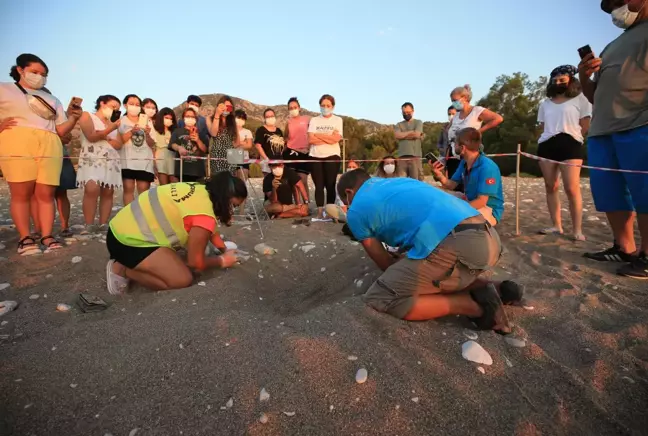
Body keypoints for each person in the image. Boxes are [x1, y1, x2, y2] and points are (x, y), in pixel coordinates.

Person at [337, 169, 523, 332]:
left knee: (382, 296)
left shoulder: (356, 209)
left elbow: (383, 263)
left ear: (349, 192)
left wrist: (396, 268)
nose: (348, 206)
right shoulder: (400, 182)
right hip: (488, 236)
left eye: (346, 201)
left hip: (458, 245)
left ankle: (476, 307)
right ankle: (494, 288)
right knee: (429, 269)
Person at [578, 0, 648, 278]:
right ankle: (624, 247)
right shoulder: (613, 45)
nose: (615, 10)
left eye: (620, 2)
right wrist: (585, 75)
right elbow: (595, 96)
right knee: (609, 194)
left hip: (640, 124)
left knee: (645, 192)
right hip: (602, 130)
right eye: (610, 7)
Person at [105, 171, 247, 294]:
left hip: (119, 228)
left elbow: (211, 231)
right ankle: (124, 269)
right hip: (128, 242)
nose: (232, 212)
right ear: (224, 199)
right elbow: (196, 262)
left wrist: (223, 248)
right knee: (182, 279)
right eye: (233, 206)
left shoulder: (200, 190)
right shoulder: (204, 216)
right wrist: (222, 261)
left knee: (183, 260)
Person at [0, 53, 81, 255]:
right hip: (17, 140)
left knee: (46, 194)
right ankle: (25, 238)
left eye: (43, 74)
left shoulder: (53, 99)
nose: (39, 76)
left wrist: (72, 118)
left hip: (50, 142)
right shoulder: (4, 89)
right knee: (21, 193)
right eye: (35, 72)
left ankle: (47, 235)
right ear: (20, 69)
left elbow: (61, 130)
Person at [536, 65, 592, 241]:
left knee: (571, 187)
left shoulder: (581, 99)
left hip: (571, 143)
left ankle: (577, 230)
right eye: (556, 80)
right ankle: (556, 225)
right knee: (550, 186)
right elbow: (542, 126)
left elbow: (585, 124)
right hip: (547, 144)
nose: (559, 82)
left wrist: (575, 138)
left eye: (563, 79)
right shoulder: (545, 103)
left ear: (570, 80)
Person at [430, 128, 504, 226]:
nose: (453, 146)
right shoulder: (464, 162)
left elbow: (481, 201)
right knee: (434, 192)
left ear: (463, 147)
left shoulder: (487, 167)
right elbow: (451, 185)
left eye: (455, 143)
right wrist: (439, 175)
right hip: (470, 201)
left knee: (453, 220)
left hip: (488, 209)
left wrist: (458, 211)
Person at [77, 94, 123, 236]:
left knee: (108, 192)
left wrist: (104, 134)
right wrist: (109, 131)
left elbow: (118, 144)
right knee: (91, 189)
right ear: (102, 104)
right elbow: (91, 136)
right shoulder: (87, 116)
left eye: (117, 108)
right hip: (92, 158)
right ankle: (89, 224)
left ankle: (104, 223)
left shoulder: (113, 123)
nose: (115, 110)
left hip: (111, 160)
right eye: (113, 106)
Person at [448, 84, 504, 189]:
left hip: (470, 155)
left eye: (455, 100)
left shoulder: (476, 111)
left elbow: (498, 118)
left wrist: (479, 131)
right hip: (456, 156)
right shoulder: (456, 116)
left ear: (464, 98)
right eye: (451, 101)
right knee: (455, 187)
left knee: (471, 186)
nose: (453, 103)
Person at [309, 94, 343, 219]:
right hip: (315, 156)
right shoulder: (314, 120)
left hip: (332, 156)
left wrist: (318, 135)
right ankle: (319, 212)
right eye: (323, 105)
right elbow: (310, 140)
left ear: (333, 106)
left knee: (330, 184)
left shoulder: (338, 120)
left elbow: (336, 139)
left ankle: (330, 212)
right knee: (318, 185)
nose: (325, 107)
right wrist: (328, 137)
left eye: (328, 105)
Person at [118, 94, 155, 206]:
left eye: (137, 104)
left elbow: (152, 143)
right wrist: (131, 132)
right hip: (127, 161)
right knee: (128, 190)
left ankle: (143, 218)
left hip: (144, 162)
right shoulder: (121, 121)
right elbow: (119, 141)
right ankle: (129, 217)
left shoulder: (147, 120)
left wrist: (148, 134)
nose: (135, 106)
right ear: (125, 105)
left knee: (144, 192)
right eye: (131, 104)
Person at [168, 107, 208, 182]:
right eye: (187, 116)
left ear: (196, 119)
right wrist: (179, 148)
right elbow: (172, 144)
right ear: (183, 118)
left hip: (198, 172)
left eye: (192, 117)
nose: (190, 118)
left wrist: (198, 140)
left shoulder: (201, 133)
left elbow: (205, 150)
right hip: (182, 170)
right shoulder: (177, 131)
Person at [283, 97, 312, 196]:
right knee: (294, 182)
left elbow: (312, 135)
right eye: (290, 108)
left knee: (303, 181)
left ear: (299, 108)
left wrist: (309, 147)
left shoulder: (307, 119)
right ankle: (297, 206)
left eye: (295, 107)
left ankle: (306, 204)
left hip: (304, 153)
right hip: (291, 153)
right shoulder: (288, 122)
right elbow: (286, 137)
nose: (293, 109)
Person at [208, 95, 238, 175]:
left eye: (230, 107)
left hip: (231, 154)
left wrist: (236, 158)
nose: (227, 109)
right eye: (225, 106)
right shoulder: (210, 118)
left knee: (231, 180)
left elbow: (236, 141)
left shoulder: (232, 121)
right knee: (218, 179)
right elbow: (213, 133)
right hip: (217, 154)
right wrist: (217, 115)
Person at [393, 102, 424, 180]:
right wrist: (412, 132)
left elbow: (416, 135)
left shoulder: (418, 122)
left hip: (415, 156)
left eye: (408, 112)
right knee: (402, 181)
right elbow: (397, 135)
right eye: (404, 113)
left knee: (416, 180)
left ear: (413, 111)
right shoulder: (398, 124)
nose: (406, 114)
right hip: (402, 157)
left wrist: (403, 135)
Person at [55, 132, 77, 238]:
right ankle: (38, 229)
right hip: (34, 154)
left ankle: (64, 226)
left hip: (59, 154)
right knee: (36, 194)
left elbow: (67, 137)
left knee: (61, 193)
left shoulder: (58, 115)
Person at [234, 109, 254, 215]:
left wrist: (239, 144)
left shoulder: (247, 132)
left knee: (243, 184)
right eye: (238, 118)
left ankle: (242, 210)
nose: (240, 120)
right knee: (233, 184)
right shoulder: (230, 131)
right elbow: (231, 144)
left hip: (244, 159)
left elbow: (249, 145)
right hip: (232, 157)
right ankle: (232, 208)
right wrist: (242, 143)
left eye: (242, 118)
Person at [255, 108, 285, 175]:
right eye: (267, 117)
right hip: (268, 163)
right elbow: (258, 145)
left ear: (275, 117)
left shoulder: (279, 131)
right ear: (264, 119)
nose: (270, 118)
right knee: (269, 183)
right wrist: (266, 159)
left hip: (279, 163)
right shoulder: (261, 130)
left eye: (271, 116)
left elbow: (282, 145)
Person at [153, 108, 177, 185]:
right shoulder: (155, 131)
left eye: (171, 118)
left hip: (172, 159)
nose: (168, 120)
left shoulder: (174, 132)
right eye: (166, 118)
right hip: (160, 161)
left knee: (175, 186)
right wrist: (154, 164)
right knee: (163, 187)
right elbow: (153, 148)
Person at [438, 105, 458, 178]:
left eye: (453, 114)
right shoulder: (444, 127)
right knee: (450, 176)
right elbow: (440, 142)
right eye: (449, 114)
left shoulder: (461, 125)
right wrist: (441, 149)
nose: (451, 116)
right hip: (446, 155)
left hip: (457, 155)